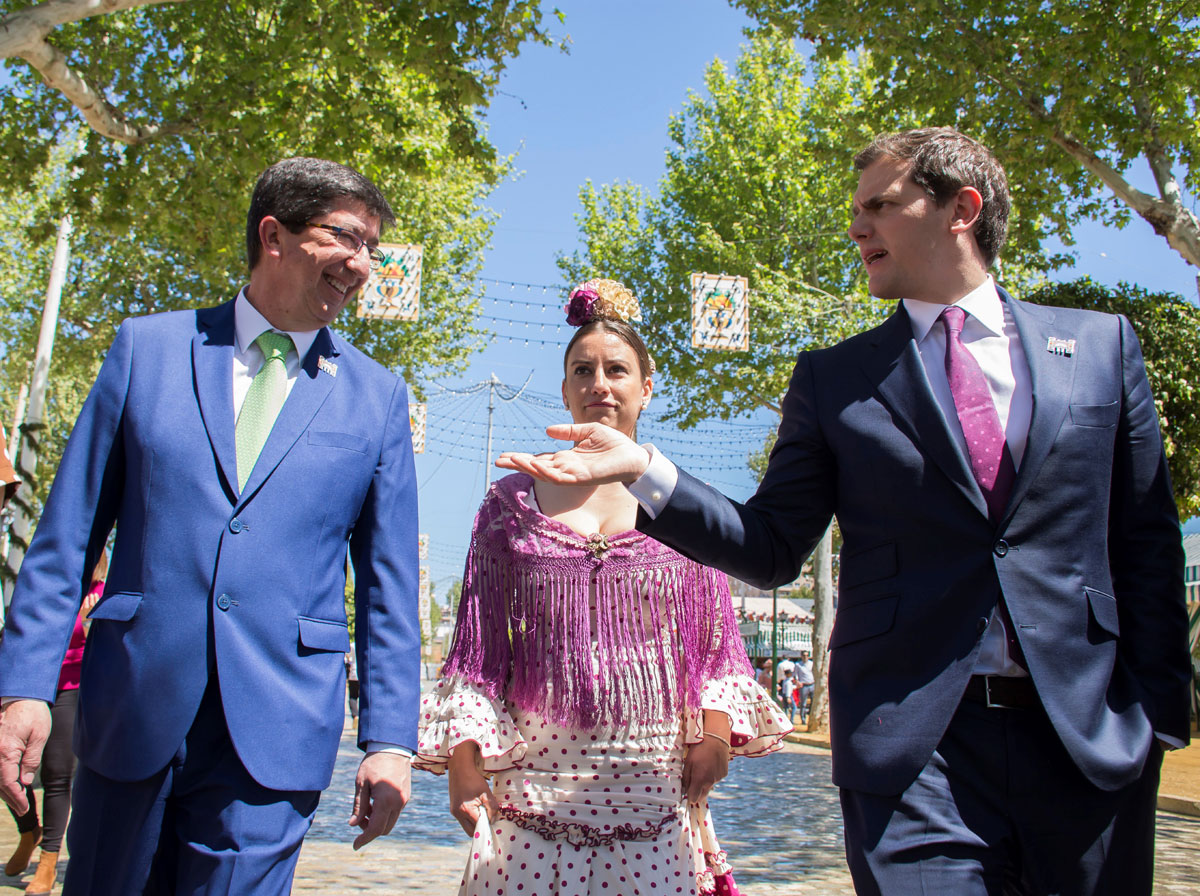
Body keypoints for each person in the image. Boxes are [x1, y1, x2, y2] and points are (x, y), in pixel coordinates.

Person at [498, 128, 1191, 894]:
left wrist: (1157, 721)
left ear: (961, 209)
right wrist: (647, 472)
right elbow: (769, 547)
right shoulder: (834, 381)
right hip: (915, 758)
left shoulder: (1101, 347)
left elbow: (1146, 546)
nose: (857, 227)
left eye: (881, 206)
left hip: (1090, 748)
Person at [0, 158, 421, 895]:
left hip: (276, 731)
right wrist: (24, 688)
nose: (363, 265)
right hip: (131, 708)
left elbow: (389, 590)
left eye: (373, 251)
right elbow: (67, 540)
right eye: (346, 239)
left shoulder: (378, 398)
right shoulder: (147, 350)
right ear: (274, 235)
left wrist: (390, 741)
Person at [417, 279, 790, 896]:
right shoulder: (509, 503)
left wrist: (718, 737)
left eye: (616, 369)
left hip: (653, 786)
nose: (599, 383)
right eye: (582, 369)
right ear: (564, 390)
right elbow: (478, 654)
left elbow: (718, 645)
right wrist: (463, 765)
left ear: (645, 386)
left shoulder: (681, 504)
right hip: (530, 789)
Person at [4, 552, 105, 894]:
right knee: (11, 768)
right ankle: (28, 829)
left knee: (57, 775)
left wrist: (93, 620)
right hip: (33, 685)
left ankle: (48, 860)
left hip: (72, 687)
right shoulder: (50, 590)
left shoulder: (101, 592)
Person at [794, 650, 814, 726]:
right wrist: (797, 682)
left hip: (812, 684)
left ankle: (811, 717)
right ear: (801, 656)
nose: (805, 657)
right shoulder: (798, 665)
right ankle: (803, 719)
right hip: (803, 685)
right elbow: (795, 675)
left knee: (813, 702)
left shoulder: (811, 664)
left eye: (806, 655)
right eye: (804, 655)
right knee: (803, 703)